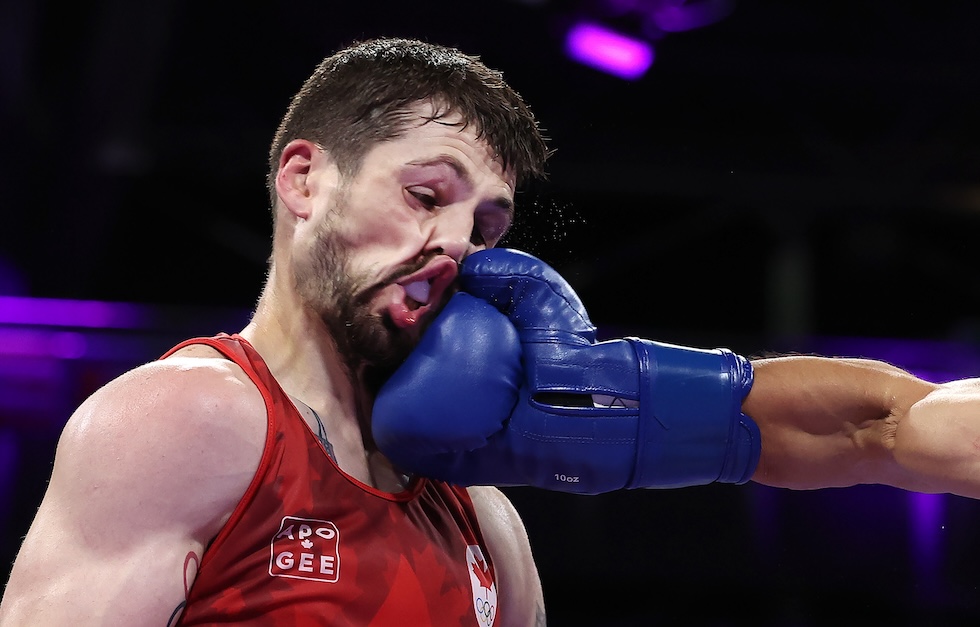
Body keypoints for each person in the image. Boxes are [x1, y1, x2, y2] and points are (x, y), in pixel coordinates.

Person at [0, 35, 976, 627]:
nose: (455, 245)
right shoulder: (186, 422)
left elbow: (872, 427)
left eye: (487, 226)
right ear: (304, 180)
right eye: (426, 195)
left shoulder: (483, 519)